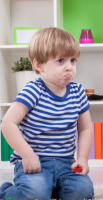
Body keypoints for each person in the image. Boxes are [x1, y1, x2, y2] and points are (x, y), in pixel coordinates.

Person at [0, 27, 94, 200]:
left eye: (73, 60)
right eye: (61, 61)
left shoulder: (78, 91)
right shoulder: (33, 90)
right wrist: (27, 155)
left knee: (83, 192)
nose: (69, 67)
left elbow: (86, 128)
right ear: (39, 65)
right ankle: (6, 191)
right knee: (34, 193)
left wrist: (83, 158)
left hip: (67, 163)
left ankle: (52, 189)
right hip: (35, 162)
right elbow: (8, 124)